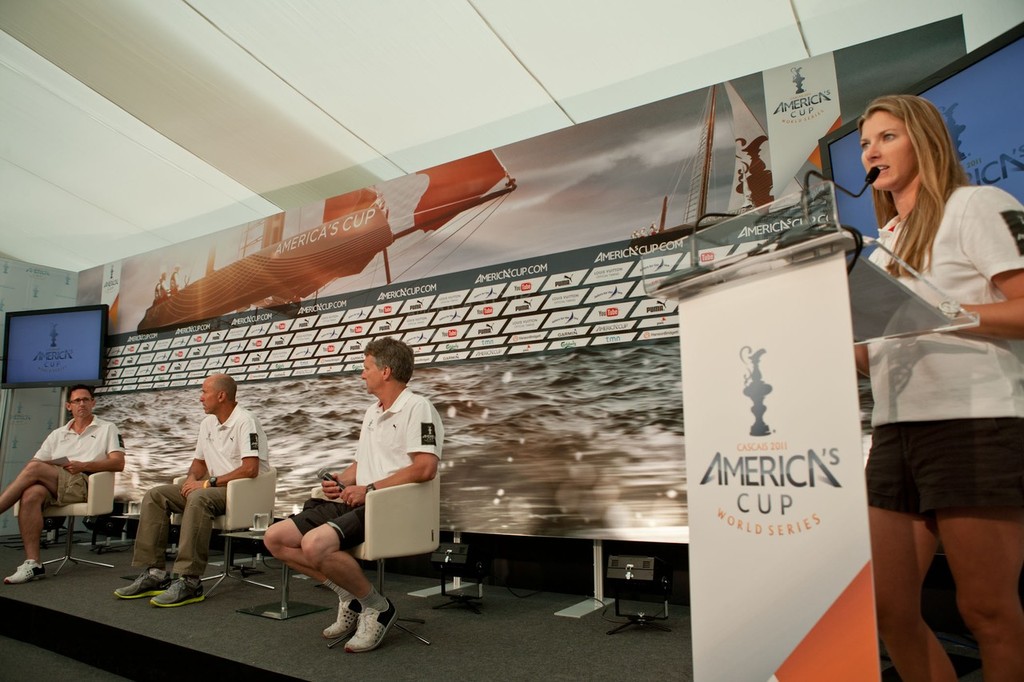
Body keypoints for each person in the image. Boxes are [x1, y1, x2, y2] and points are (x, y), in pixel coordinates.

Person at [854, 94, 1024, 682]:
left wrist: (943, 313)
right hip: (896, 431)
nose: (872, 151)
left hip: (974, 421)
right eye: (864, 143)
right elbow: (877, 354)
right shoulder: (882, 243)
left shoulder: (975, 205)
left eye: (887, 136)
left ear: (924, 139)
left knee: (987, 610)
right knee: (889, 610)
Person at [263, 337, 443, 653]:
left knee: (314, 543)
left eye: (365, 367)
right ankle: (350, 596)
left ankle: (377, 606)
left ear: (385, 371)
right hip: (362, 500)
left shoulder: (418, 408)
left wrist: (370, 489)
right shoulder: (372, 412)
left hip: (392, 506)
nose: (362, 374)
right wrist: (338, 481)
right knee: (275, 538)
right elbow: (360, 466)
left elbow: (425, 468)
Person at [114, 373, 270, 607]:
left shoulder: (245, 420)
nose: (200, 398)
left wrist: (207, 483)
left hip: (243, 491)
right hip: (214, 489)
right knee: (156, 495)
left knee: (199, 497)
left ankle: (190, 580)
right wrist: (190, 480)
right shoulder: (207, 423)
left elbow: (250, 469)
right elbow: (199, 463)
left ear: (221, 395)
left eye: (204, 392)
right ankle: (155, 574)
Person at [1, 384, 125, 584]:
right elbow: (36, 462)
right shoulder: (58, 434)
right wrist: (53, 465)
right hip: (57, 481)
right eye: (77, 401)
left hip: (85, 482)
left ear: (93, 403)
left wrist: (84, 465)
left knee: (34, 470)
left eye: (86, 399)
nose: (82, 404)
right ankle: (33, 564)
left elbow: (119, 463)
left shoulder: (107, 428)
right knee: (31, 494)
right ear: (69, 406)